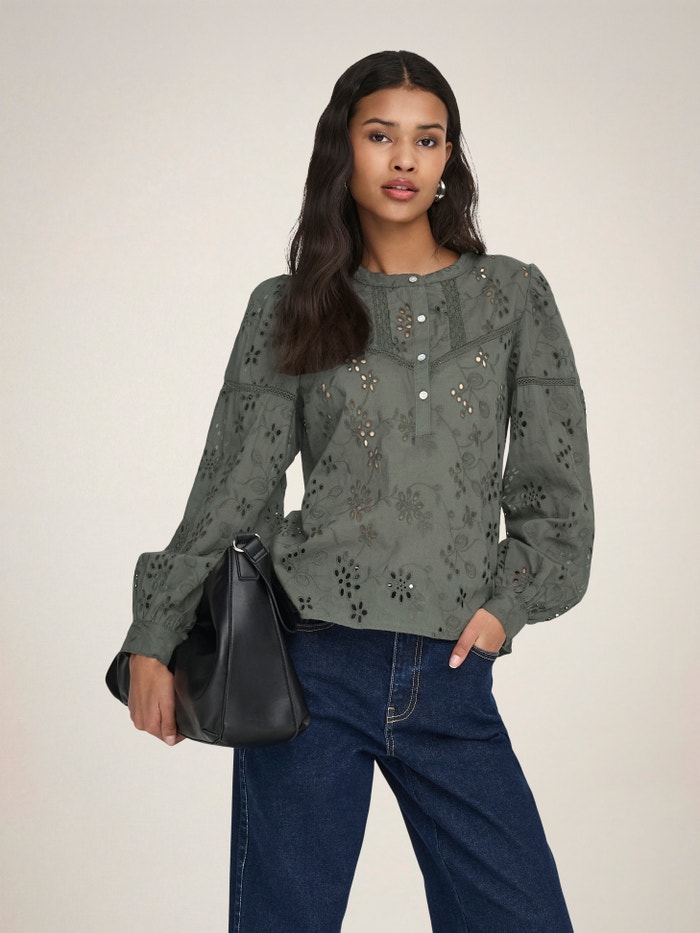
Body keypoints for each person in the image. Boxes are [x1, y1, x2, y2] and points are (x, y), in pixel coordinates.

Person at [122, 50, 593, 933]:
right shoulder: (289, 305)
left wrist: (504, 610)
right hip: (311, 667)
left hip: (452, 674)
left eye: (428, 139)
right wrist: (156, 632)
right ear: (345, 147)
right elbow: (234, 489)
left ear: (449, 157)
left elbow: (554, 498)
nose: (405, 159)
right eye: (382, 136)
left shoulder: (513, 298)